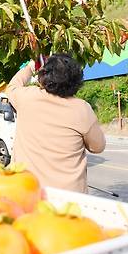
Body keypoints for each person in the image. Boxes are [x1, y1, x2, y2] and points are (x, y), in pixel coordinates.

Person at [6, 54, 105, 193]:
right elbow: (98, 147)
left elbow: (13, 86)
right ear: (77, 80)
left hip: (28, 193)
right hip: (68, 199)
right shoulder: (82, 109)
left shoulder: (27, 97)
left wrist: (30, 66)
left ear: (44, 76)